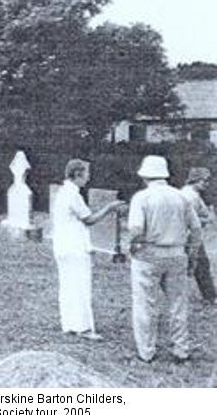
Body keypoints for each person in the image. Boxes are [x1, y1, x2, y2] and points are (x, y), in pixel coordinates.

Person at [128, 155, 201, 363]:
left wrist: (130, 247)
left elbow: (136, 230)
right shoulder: (181, 197)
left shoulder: (142, 198)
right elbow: (196, 229)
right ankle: (181, 349)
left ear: (145, 176)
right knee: (178, 304)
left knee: (145, 303)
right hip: (177, 253)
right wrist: (192, 255)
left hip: (149, 254)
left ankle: (146, 351)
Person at [51, 159, 124, 341]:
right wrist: (110, 207)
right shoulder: (73, 195)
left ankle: (69, 324)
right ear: (77, 175)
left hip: (63, 244)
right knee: (81, 286)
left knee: (68, 285)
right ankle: (83, 328)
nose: (88, 177)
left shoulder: (62, 192)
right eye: (87, 174)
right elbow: (89, 219)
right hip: (74, 246)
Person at [181, 167, 217, 304]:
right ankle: (210, 296)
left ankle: (210, 295)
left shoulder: (192, 194)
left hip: (189, 235)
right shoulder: (189, 196)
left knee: (199, 265)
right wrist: (206, 219)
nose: (207, 184)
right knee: (201, 264)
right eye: (204, 180)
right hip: (189, 236)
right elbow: (188, 219)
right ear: (194, 180)